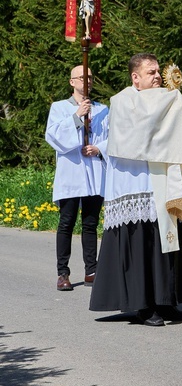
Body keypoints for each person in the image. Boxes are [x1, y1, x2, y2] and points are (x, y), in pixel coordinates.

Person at [90, 53, 182, 327]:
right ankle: (143, 306)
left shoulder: (169, 100)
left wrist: (177, 105)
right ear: (135, 77)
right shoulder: (122, 101)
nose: (158, 76)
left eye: (159, 71)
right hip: (135, 181)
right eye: (151, 72)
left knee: (167, 243)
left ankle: (166, 301)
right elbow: (138, 134)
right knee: (142, 243)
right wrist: (170, 107)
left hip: (163, 180)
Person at [45, 65, 108, 291]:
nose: (87, 81)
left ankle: (91, 270)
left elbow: (111, 137)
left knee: (90, 223)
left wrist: (98, 148)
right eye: (82, 77)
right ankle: (63, 273)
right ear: (72, 82)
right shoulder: (60, 107)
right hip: (71, 171)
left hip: (93, 171)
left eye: (90, 77)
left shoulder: (102, 109)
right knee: (66, 222)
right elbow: (53, 136)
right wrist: (76, 117)